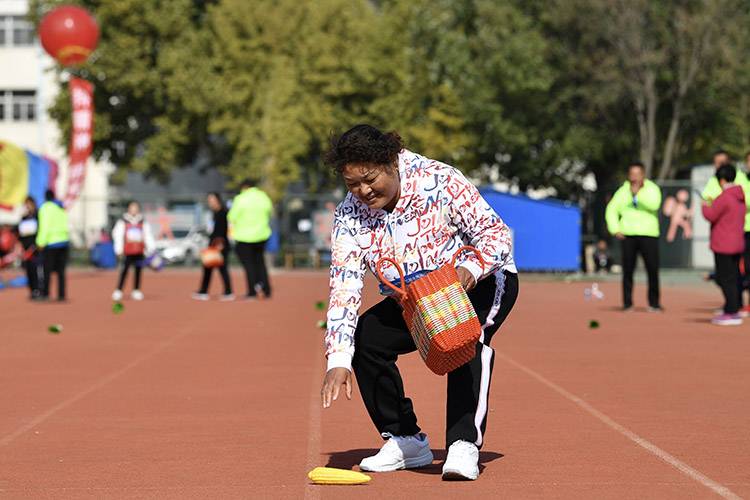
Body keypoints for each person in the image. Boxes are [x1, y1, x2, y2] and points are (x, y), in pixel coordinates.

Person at [320, 125, 518, 481]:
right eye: (352, 184)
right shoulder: (349, 218)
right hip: (414, 298)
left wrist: (469, 270)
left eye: (369, 179)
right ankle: (406, 439)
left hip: (480, 281)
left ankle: (463, 444)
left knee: (460, 337)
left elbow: (496, 234)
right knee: (368, 339)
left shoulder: (439, 180)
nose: (363, 191)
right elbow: (344, 287)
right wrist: (338, 358)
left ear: (393, 164)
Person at [605, 162, 663, 312]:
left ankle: (654, 303)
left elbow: (654, 205)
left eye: (638, 174)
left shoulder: (652, 189)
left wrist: (638, 195)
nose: (635, 178)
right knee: (628, 271)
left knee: (652, 269)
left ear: (643, 174)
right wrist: (615, 229)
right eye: (632, 174)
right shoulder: (622, 191)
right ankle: (627, 303)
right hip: (628, 235)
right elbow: (611, 210)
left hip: (648, 234)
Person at [704, 150, 750, 312]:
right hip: (735, 237)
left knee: (728, 276)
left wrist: (706, 205)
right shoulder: (736, 193)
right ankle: (733, 306)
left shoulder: (727, 195)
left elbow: (711, 211)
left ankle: (732, 310)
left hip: (729, 239)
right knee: (731, 275)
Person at [228, 179, 273, 299]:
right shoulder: (263, 197)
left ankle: (252, 291)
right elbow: (269, 211)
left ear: (244, 187)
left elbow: (232, 216)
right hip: (262, 235)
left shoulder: (241, 198)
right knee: (260, 263)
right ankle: (266, 289)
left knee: (249, 265)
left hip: (244, 237)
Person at [193, 192, 234, 301]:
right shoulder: (214, 213)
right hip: (214, 244)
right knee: (208, 268)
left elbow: (222, 231)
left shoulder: (222, 213)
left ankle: (228, 292)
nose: (210, 202)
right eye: (209, 200)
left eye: (212, 200)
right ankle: (203, 291)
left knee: (222, 269)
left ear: (218, 200)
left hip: (220, 245)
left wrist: (219, 244)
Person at [111, 201, 155, 301]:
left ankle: (136, 290)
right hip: (127, 251)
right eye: (132, 207)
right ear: (128, 209)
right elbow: (118, 235)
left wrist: (151, 248)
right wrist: (118, 249)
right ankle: (119, 290)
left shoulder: (142, 221)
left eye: (135, 207)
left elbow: (148, 235)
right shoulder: (123, 221)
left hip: (139, 250)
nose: (134, 209)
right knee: (124, 271)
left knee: (138, 270)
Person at [36, 190, 70, 301]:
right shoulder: (60, 207)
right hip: (64, 241)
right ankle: (61, 295)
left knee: (47, 270)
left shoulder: (45, 208)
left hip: (51, 243)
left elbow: (44, 227)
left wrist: (40, 242)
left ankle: (46, 294)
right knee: (61, 271)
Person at [17, 196, 42, 299]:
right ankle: (32, 290)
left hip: (35, 248)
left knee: (37, 270)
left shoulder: (38, 216)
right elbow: (20, 234)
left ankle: (38, 289)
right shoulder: (24, 218)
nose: (27, 206)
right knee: (28, 271)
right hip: (26, 249)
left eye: (29, 204)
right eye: (26, 204)